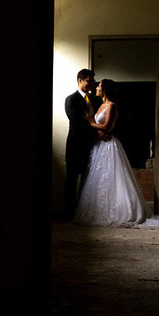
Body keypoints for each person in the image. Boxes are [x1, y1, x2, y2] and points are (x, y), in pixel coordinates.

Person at [72, 79, 153, 227]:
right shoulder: (100, 105)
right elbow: (100, 127)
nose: (96, 88)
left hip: (109, 145)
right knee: (99, 178)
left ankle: (120, 211)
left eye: (99, 86)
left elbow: (107, 126)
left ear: (105, 90)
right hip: (99, 145)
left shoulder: (112, 106)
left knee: (113, 176)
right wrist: (96, 130)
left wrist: (91, 123)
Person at [64, 69, 99, 219]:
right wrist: (95, 129)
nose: (92, 84)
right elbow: (76, 121)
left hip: (92, 146)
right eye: (89, 81)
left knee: (87, 181)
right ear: (80, 80)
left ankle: (83, 214)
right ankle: (69, 214)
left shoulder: (95, 99)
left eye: (93, 82)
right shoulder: (71, 99)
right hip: (75, 146)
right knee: (71, 181)